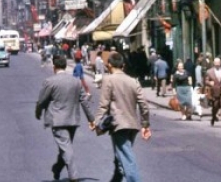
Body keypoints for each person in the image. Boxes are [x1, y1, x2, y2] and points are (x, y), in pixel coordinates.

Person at [36, 55, 95, 181]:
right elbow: (84, 101)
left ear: (54, 67)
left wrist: (38, 112)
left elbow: (41, 100)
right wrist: (91, 119)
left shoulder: (50, 81)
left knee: (66, 149)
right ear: (65, 65)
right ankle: (67, 172)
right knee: (66, 147)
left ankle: (69, 174)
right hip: (72, 120)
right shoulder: (76, 81)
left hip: (57, 120)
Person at [94, 52, 151, 182]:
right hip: (132, 125)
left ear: (109, 65)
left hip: (118, 125)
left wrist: (97, 123)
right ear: (123, 65)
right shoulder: (133, 81)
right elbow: (144, 105)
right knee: (121, 160)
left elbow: (103, 105)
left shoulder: (108, 80)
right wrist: (145, 125)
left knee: (127, 159)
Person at [205, 57, 221, 128]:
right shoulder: (209, 71)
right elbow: (206, 81)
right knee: (215, 107)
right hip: (215, 92)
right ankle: (213, 117)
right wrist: (210, 83)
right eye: (216, 63)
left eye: (218, 63)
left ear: (220, 63)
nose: (217, 65)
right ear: (214, 63)